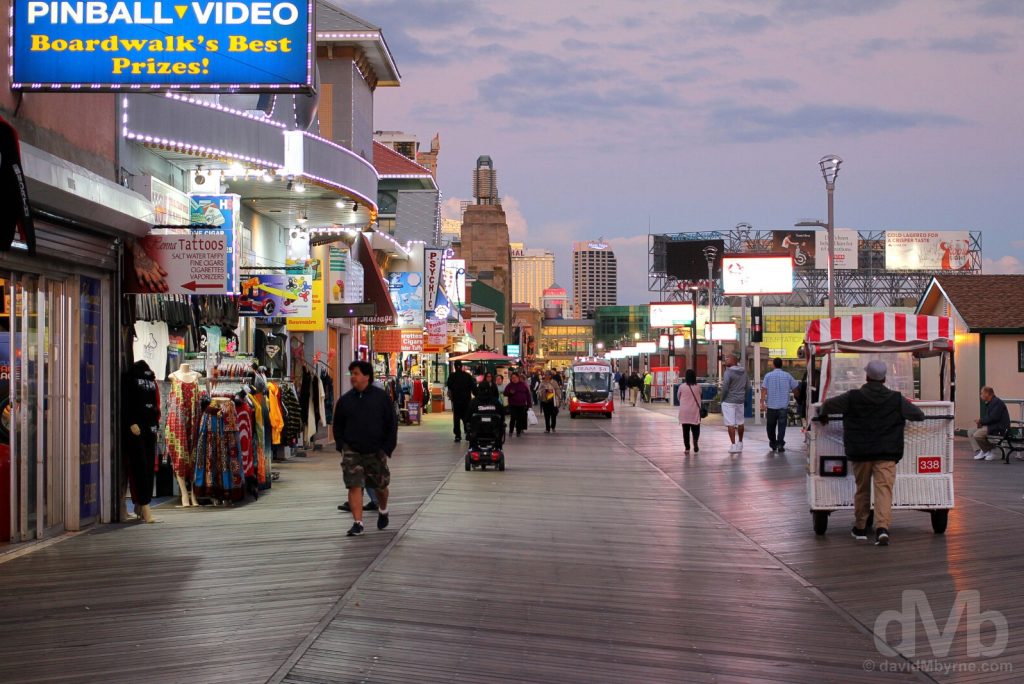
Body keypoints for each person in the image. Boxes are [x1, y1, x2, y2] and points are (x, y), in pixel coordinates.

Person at [818, 360, 925, 546]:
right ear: (884, 378)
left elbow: (828, 405)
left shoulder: (852, 397)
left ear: (867, 376)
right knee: (884, 490)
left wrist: (823, 413)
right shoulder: (895, 398)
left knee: (862, 490)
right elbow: (919, 415)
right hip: (887, 453)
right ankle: (882, 528)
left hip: (861, 452)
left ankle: (860, 528)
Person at [333, 360, 397, 537]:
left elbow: (391, 423)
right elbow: (337, 424)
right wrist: (341, 445)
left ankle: (383, 510)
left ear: (367, 376)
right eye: (351, 374)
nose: (353, 377)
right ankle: (358, 523)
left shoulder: (381, 397)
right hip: (352, 450)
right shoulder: (345, 400)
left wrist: (387, 447)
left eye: (356, 373)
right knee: (354, 485)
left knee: (380, 486)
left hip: (376, 450)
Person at [761, 358, 799, 453]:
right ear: (781, 365)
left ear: (773, 365)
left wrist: (762, 403)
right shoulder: (787, 376)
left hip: (771, 407)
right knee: (782, 427)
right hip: (783, 407)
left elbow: (764, 390)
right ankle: (780, 444)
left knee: (770, 427)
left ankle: (773, 443)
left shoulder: (768, 376)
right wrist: (798, 398)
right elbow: (795, 389)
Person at [970, 386, 1011, 461]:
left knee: (977, 435)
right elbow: (990, 418)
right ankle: (983, 451)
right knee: (970, 432)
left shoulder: (997, 402)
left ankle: (990, 451)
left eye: (982, 393)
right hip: (992, 426)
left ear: (987, 393)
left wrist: (981, 421)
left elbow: (994, 418)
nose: (981, 395)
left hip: (999, 427)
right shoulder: (990, 402)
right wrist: (981, 422)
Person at [720, 355, 748, 453]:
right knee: (740, 422)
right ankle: (740, 443)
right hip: (740, 400)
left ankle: (733, 445)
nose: (726, 360)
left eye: (728, 359)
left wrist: (722, 399)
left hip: (729, 401)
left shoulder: (728, 372)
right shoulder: (744, 372)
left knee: (730, 424)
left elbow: (725, 388)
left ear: (734, 361)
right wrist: (743, 397)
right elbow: (747, 386)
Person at [446, 360, 476, 443]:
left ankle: (457, 435)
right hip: (466, 400)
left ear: (455, 367)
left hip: (456, 400)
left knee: (456, 418)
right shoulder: (467, 376)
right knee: (466, 417)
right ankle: (467, 432)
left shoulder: (452, 376)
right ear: (462, 366)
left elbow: (449, 386)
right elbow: (473, 388)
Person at [677, 369, 703, 454]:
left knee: (686, 431)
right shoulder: (698, 386)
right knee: (696, 428)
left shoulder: (682, 386)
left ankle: (687, 448)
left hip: (684, 411)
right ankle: (695, 441)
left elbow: (678, 397)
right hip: (694, 411)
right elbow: (701, 396)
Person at [503, 371, 532, 437]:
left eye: (515, 377)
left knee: (520, 419)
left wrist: (529, 404)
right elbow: (505, 393)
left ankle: (518, 432)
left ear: (518, 378)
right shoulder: (509, 385)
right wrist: (510, 393)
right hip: (513, 405)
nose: (514, 379)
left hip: (522, 405)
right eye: (512, 378)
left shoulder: (523, 384)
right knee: (513, 418)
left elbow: (528, 395)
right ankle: (511, 431)